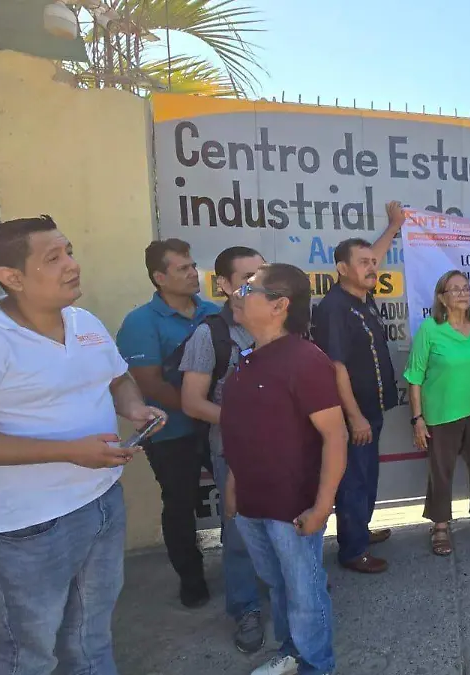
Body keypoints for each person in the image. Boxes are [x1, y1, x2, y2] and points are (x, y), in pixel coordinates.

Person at [0, 216, 164, 674]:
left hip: (101, 503)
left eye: (69, 251)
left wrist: (135, 409)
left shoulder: (84, 322)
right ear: (12, 277)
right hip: (26, 528)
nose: (72, 264)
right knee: (26, 654)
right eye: (53, 258)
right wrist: (69, 452)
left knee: (91, 636)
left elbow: (118, 377)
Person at [220, 264, 347, 675]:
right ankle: (293, 651)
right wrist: (234, 484)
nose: (237, 295)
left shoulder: (306, 360)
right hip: (252, 503)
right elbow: (247, 432)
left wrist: (322, 507)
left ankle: (317, 665)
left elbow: (335, 437)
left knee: (305, 592)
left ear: (279, 306)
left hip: (292, 508)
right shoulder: (247, 359)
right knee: (277, 585)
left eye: (248, 289)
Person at [116, 238, 220, 607]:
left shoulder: (213, 312)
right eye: (183, 268)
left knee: (240, 492)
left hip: (216, 427)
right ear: (159, 277)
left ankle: (247, 565)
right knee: (180, 504)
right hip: (170, 433)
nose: (194, 274)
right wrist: (200, 409)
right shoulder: (140, 323)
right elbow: (150, 384)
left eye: (193, 266)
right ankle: (191, 580)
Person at [310, 200, 405, 573]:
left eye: (372, 262)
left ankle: (359, 531)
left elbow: (373, 256)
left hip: (371, 409)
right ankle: (352, 550)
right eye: (362, 263)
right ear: (341, 269)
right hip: (355, 415)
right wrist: (354, 417)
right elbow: (335, 365)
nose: (372, 267)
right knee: (354, 479)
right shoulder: (334, 307)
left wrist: (393, 227)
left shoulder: (362, 297)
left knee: (366, 475)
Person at [179, 245, 266, 653]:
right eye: (247, 278)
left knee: (290, 524)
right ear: (224, 285)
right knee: (240, 535)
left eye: (262, 275)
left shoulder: (282, 323)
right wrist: (243, 423)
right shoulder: (209, 334)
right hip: (234, 452)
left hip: (286, 451)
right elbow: (192, 402)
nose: (257, 284)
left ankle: (294, 588)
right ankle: (246, 608)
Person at [404, 270, 470, 556]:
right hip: (442, 414)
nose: (463, 293)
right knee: (441, 472)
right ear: (442, 298)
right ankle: (440, 524)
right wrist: (417, 419)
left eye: (466, 288)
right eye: (455, 289)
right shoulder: (430, 329)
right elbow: (414, 377)